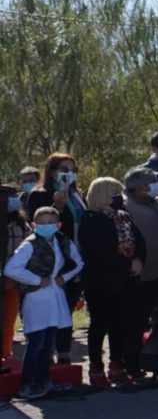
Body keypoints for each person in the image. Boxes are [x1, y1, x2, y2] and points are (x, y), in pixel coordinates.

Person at [5, 206, 84, 400]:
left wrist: (64, 277)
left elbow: (79, 262)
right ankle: (27, 382)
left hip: (54, 296)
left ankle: (44, 379)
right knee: (36, 342)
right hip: (36, 297)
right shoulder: (29, 244)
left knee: (49, 342)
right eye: (41, 223)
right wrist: (37, 280)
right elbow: (11, 269)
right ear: (34, 225)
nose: (46, 226)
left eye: (50, 223)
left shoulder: (62, 241)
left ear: (58, 225)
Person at [78, 177, 146, 386]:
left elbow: (139, 240)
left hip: (126, 279)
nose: (121, 197)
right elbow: (97, 251)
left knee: (120, 324)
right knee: (100, 324)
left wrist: (138, 260)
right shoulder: (90, 219)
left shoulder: (124, 216)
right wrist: (126, 264)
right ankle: (96, 367)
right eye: (116, 193)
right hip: (101, 281)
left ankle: (117, 364)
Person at [26, 152, 86, 364]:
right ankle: (44, 360)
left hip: (75, 261)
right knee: (54, 312)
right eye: (64, 170)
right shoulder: (39, 194)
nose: (69, 174)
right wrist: (57, 208)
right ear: (52, 171)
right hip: (54, 263)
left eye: (73, 170)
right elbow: (42, 228)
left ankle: (64, 356)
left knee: (67, 310)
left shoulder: (76, 195)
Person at [122, 166, 158, 376]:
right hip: (143, 276)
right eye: (152, 181)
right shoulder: (126, 207)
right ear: (139, 186)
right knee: (137, 321)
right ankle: (132, 366)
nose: (156, 184)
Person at [2, 185, 27, 361]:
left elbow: (28, 250)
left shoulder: (21, 224)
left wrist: (13, 275)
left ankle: (5, 352)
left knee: (8, 320)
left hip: (14, 280)